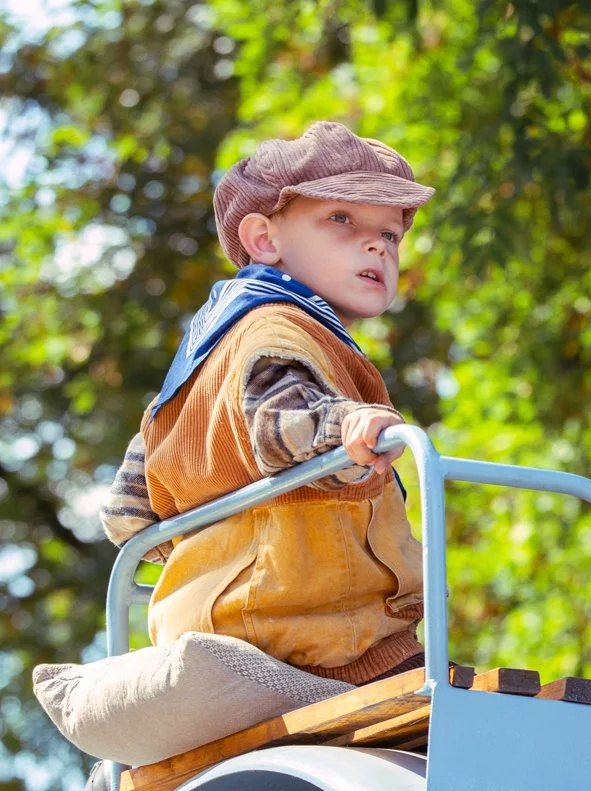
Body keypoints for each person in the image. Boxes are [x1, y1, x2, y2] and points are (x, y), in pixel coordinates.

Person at [101, 121, 433, 685]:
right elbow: (281, 427)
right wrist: (347, 425)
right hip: (318, 638)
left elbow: (127, 516)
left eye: (391, 234)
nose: (378, 243)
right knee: (496, 728)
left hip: (217, 627)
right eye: (342, 219)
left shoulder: (196, 364)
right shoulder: (279, 330)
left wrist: (209, 552)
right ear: (264, 241)